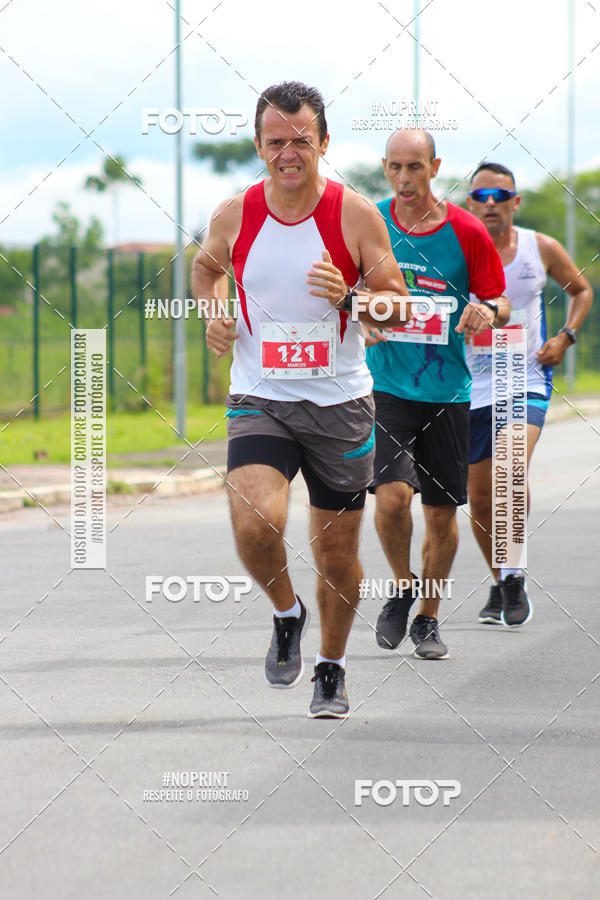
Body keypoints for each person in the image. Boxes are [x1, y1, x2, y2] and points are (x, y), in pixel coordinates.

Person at [192, 81, 409, 718]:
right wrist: (215, 309)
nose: (289, 153)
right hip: (260, 394)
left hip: (340, 403)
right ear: (259, 145)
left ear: (324, 143)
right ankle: (287, 613)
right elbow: (206, 270)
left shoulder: (355, 215)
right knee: (254, 519)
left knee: (336, 550)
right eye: (276, 142)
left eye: (301, 141)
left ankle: (331, 667)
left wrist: (350, 296)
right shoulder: (235, 213)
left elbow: (395, 306)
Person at [367, 129, 509, 659]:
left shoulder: (467, 230)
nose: (405, 179)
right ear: (385, 168)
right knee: (391, 499)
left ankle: (427, 615)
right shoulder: (370, 220)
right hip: (385, 386)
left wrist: (485, 311)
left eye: (416, 168)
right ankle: (402, 585)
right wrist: (362, 313)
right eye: (396, 168)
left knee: (442, 515)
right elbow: (346, 284)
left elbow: (500, 301)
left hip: (448, 389)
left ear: (435, 166)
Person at [465, 161, 593, 626]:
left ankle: (514, 573)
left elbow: (581, 290)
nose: (491, 205)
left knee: (510, 465)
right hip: (470, 388)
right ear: (469, 203)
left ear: (515, 202)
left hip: (525, 377)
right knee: (479, 499)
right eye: (481, 197)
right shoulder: (457, 250)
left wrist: (565, 337)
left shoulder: (539, 248)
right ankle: (501, 583)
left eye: (501, 197)